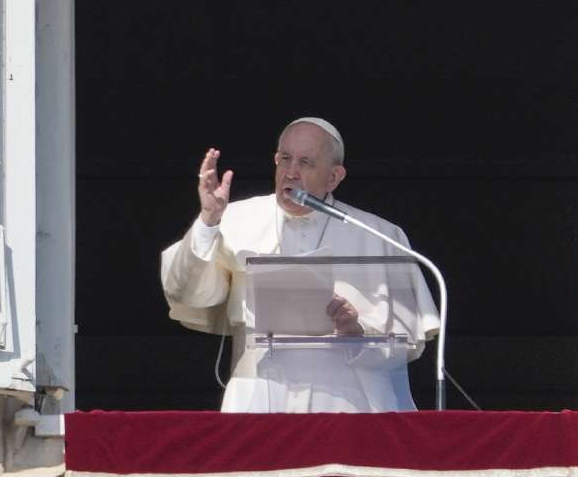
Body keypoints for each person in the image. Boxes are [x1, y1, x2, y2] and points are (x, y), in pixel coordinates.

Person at [160, 117, 439, 412]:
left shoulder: (378, 234)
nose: (291, 172)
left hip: (346, 401)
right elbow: (189, 293)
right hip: (258, 394)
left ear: (334, 177)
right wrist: (207, 222)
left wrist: (355, 332)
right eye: (285, 158)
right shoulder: (232, 218)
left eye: (306, 162)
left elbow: (408, 344)